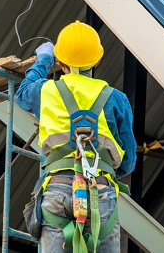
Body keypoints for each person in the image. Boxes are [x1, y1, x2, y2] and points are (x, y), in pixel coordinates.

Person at [15, 21, 136, 253]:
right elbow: (128, 162)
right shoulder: (116, 99)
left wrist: (43, 60)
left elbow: (22, 93)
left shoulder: (46, 91)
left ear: (60, 63)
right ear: (97, 61)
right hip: (101, 193)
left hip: (57, 191)